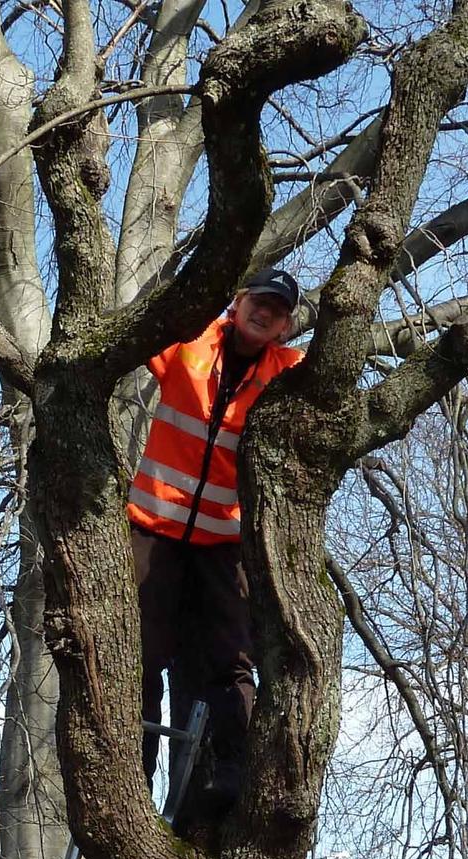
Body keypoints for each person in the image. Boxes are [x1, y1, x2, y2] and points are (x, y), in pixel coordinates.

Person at [127, 267, 303, 813]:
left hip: (223, 543)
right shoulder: (190, 343)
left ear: (285, 327)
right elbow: (135, 332)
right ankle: (136, 767)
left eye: (276, 310)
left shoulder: (289, 375)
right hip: (154, 530)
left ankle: (231, 768)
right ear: (237, 300)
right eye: (258, 300)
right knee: (141, 654)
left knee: (231, 658)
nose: (264, 313)